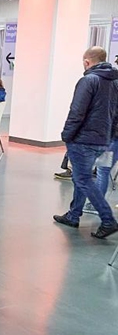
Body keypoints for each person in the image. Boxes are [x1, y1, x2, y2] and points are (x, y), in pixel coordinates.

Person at [53, 47, 118, 239]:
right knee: (82, 178)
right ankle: (73, 215)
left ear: (87, 61)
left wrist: (67, 135)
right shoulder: (115, 82)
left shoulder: (88, 80)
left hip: (83, 140)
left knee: (83, 179)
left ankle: (108, 220)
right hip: (104, 139)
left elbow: (77, 111)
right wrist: (110, 135)